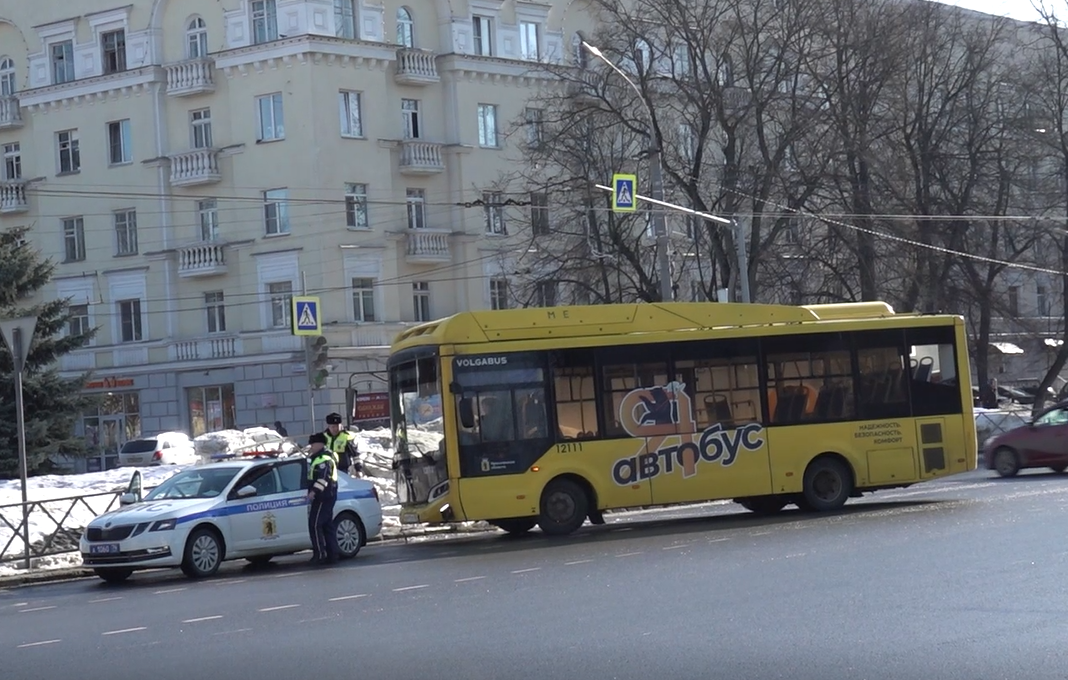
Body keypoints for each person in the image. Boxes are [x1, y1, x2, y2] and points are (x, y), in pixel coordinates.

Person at [306, 433, 339, 565]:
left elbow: (323, 478)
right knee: (327, 526)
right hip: (327, 496)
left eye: (313, 444)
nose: (311, 447)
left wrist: (313, 491)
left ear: (320, 444)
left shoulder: (324, 459)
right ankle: (333, 554)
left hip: (323, 497)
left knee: (314, 525)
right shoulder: (319, 457)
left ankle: (319, 554)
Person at [322, 412, 362, 476]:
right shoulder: (323, 438)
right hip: (327, 470)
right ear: (328, 426)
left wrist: (358, 470)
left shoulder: (347, 437)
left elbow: (355, 456)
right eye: (333, 427)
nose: (335, 429)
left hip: (344, 471)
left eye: (337, 426)